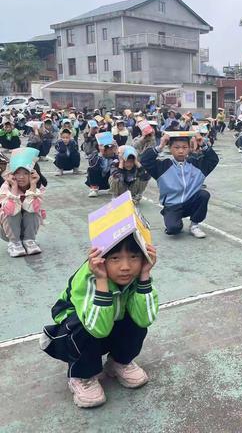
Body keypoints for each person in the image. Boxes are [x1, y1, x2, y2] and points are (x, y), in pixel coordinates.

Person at [40, 236, 158, 408]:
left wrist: (145, 275)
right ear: (101, 259)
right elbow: (97, 329)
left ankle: (119, 362)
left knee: (136, 320)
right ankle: (82, 376)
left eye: (134, 257)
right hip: (77, 331)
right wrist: (102, 281)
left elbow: (145, 318)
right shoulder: (89, 278)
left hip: (108, 321)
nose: (125, 267)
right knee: (83, 329)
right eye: (115, 258)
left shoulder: (137, 275)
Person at [141, 132, 219, 238]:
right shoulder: (162, 167)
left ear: (189, 148)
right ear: (170, 148)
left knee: (203, 194)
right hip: (172, 206)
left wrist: (203, 145)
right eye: (176, 147)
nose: (181, 151)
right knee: (174, 229)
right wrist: (160, 146)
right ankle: (172, 220)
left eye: (184, 147)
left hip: (191, 203)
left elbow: (213, 160)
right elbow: (145, 161)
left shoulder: (197, 165)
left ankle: (194, 226)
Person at [0, 147, 45, 257]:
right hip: (7, 229)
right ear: (12, 174)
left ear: (33, 173)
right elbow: (9, 211)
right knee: (12, 210)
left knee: (33, 209)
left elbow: (33, 208)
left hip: (28, 228)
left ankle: (29, 241)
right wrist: (14, 188)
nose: (21, 177)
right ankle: (14, 243)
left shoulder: (38, 188)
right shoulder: (6, 187)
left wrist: (33, 185)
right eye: (17, 173)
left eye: (26, 173)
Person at [85, 132, 118, 198]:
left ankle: (116, 189)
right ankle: (94, 189)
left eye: (112, 148)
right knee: (92, 169)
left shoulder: (116, 156)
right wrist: (101, 153)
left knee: (119, 169)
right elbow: (92, 165)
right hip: (98, 180)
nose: (111, 151)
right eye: (109, 149)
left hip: (109, 181)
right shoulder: (95, 155)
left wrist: (116, 150)